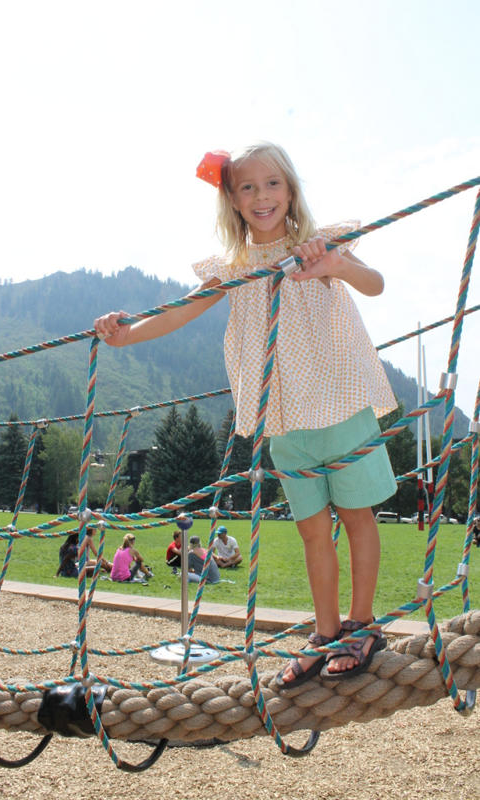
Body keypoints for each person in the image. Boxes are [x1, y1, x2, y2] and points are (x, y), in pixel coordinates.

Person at [93, 142, 397, 684]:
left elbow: (375, 283)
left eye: (272, 183)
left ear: (291, 190)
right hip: (284, 417)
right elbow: (179, 312)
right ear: (233, 199)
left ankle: (362, 624)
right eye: (248, 187)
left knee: (357, 516)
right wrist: (126, 336)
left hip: (340, 401)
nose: (262, 196)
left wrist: (335, 265)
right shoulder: (234, 268)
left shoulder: (317, 246)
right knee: (311, 531)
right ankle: (325, 632)